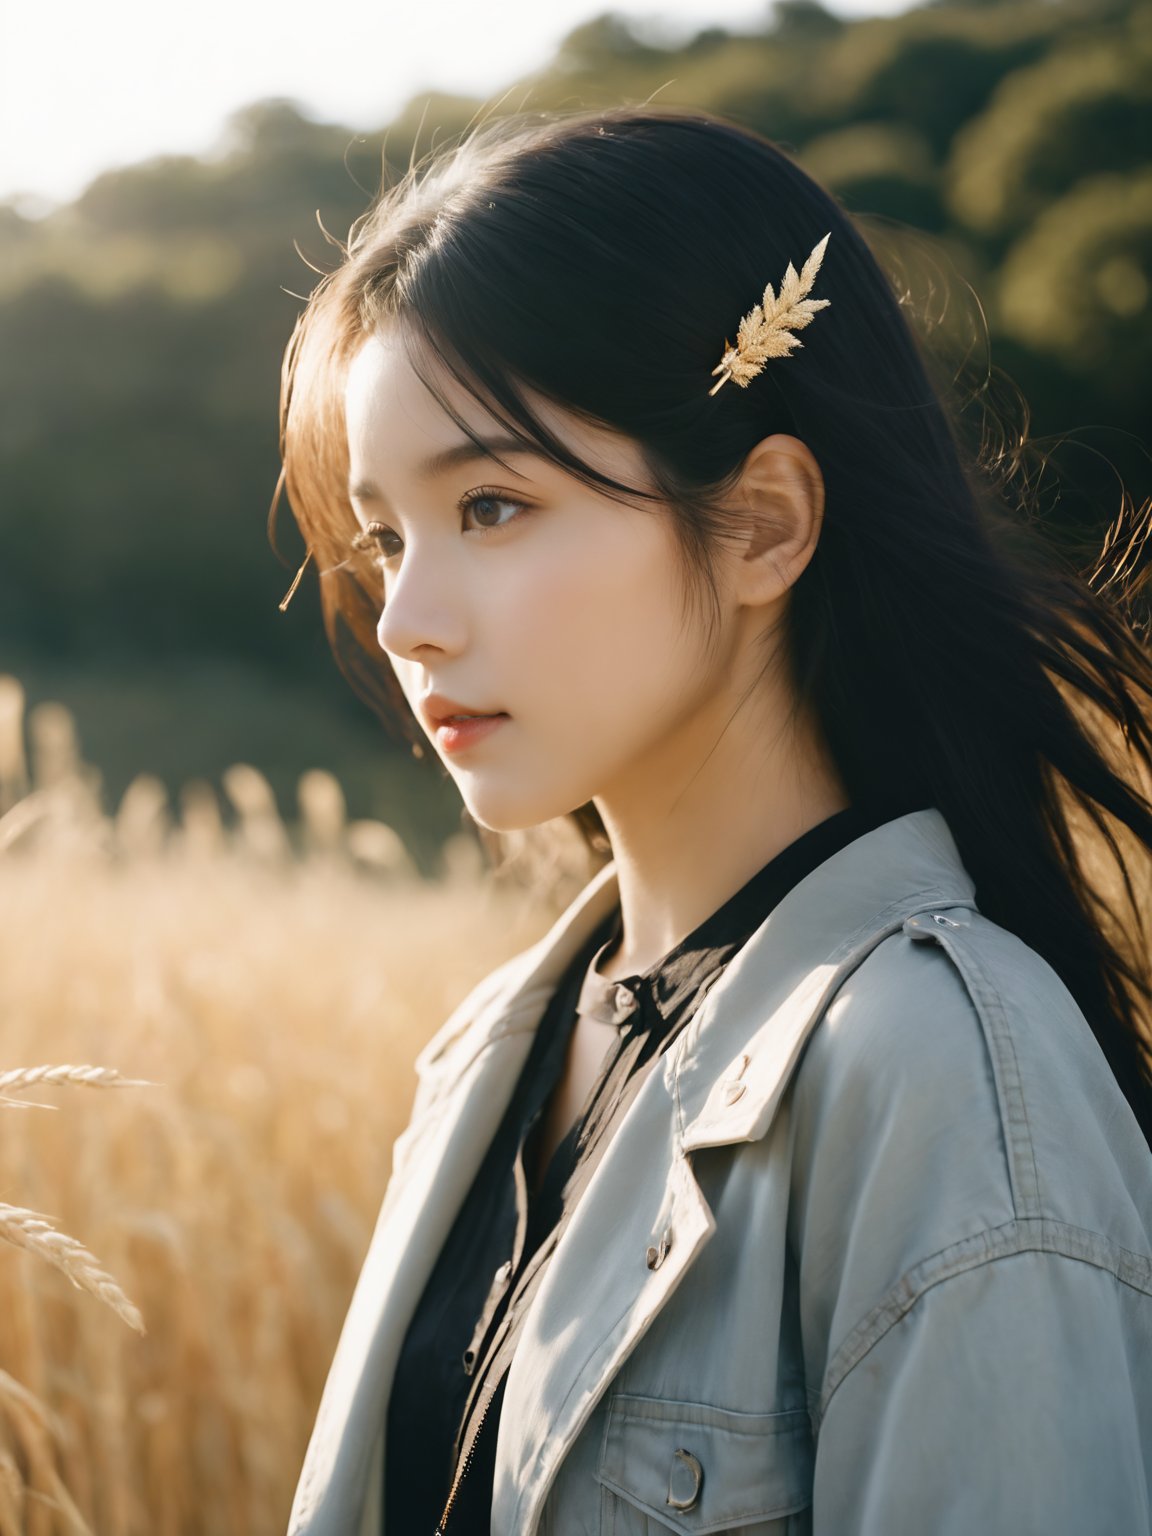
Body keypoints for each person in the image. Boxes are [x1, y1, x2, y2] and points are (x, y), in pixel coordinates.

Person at [274, 106, 1152, 1535]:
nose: (408, 623)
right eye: (388, 537)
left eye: (492, 505)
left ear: (763, 525)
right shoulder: (505, 1043)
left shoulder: (942, 1076)